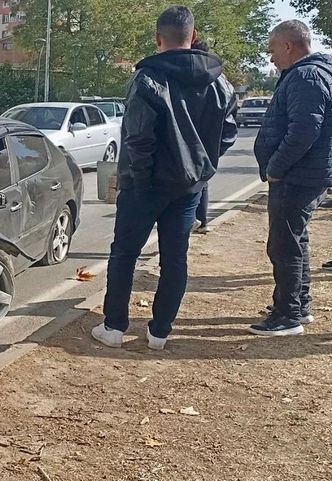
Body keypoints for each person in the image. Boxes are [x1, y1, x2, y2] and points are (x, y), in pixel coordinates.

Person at [92, 6, 238, 350]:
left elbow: (138, 138)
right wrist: (201, 166)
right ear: (194, 36)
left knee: (125, 254)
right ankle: (159, 332)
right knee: (175, 257)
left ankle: (114, 327)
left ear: (158, 38)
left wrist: (140, 181)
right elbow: (228, 133)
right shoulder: (220, 81)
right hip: (188, 187)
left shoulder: (147, 78)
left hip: (146, 186)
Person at [250, 21, 332, 336]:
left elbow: (304, 131)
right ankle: (298, 305)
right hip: (305, 174)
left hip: (297, 176)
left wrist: (276, 168)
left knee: (284, 245)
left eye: (272, 50)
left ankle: (288, 316)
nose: (270, 58)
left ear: (288, 46)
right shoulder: (311, 73)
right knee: (296, 241)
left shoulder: (305, 76)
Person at [191, 39, 212, 235]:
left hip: (191, 145)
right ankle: (202, 220)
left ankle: (196, 220)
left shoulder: (187, 79)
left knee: (194, 186)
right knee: (202, 183)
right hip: (205, 145)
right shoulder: (217, 80)